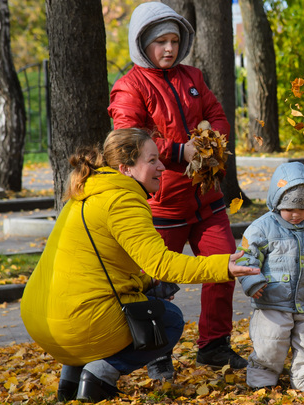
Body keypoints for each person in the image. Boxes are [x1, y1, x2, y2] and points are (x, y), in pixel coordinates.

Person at [19, 128, 260, 403]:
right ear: (126, 169)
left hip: (41, 320)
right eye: (152, 160)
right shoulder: (122, 201)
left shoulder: (89, 191)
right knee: (169, 320)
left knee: (139, 299)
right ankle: (99, 375)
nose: (162, 166)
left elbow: (101, 270)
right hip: (75, 325)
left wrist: (147, 284)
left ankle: (71, 381)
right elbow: (161, 263)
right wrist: (222, 267)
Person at [107, 1, 245, 380]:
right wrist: (175, 151)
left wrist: (212, 142)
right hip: (162, 203)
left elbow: (216, 114)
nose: (168, 49)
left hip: (206, 198)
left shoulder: (192, 76)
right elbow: (128, 140)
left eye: (174, 40)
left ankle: (214, 347)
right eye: (160, 42)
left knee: (224, 265)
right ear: (142, 44)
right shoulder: (129, 87)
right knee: (155, 283)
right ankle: (156, 354)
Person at [236, 162, 304, 392]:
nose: (295, 214)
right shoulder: (261, 228)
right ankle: (262, 378)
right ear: (276, 204)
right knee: (270, 342)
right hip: (272, 300)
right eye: (288, 209)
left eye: (301, 208)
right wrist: (252, 282)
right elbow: (246, 257)